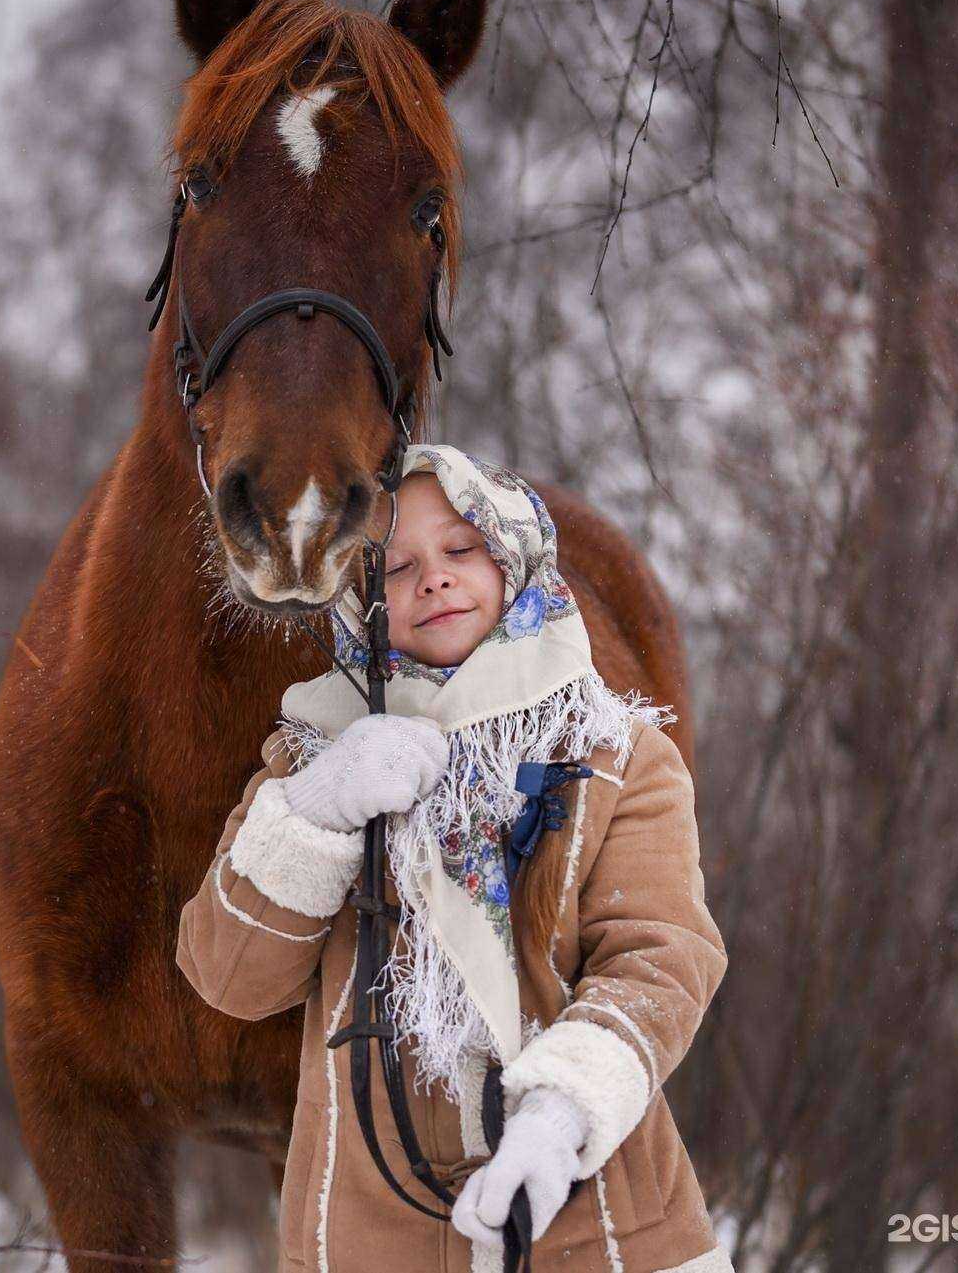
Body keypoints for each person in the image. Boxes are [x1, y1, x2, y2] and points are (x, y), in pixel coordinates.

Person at [177, 445, 732, 1273]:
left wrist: (561, 1115)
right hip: (364, 1241)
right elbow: (227, 975)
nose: (432, 578)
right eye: (395, 566)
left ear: (517, 565)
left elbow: (660, 960)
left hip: (593, 1231)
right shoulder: (312, 763)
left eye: (463, 549)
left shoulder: (618, 755)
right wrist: (319, 811)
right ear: (361, 600)